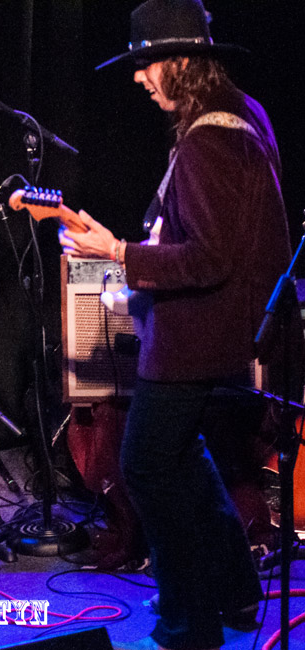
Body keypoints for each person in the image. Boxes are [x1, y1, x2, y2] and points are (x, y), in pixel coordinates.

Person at [57, 1, 292, 648]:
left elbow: (211, 257)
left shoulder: (208, 143)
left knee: (148, 467)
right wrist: (126, 249)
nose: (139, 78)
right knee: (181, 458)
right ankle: (237, 592)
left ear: (181, 63)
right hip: (217, 332)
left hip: (196, 338)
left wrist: (118, 254)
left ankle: (192, 623)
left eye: (146, 64)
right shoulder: (240, 117)